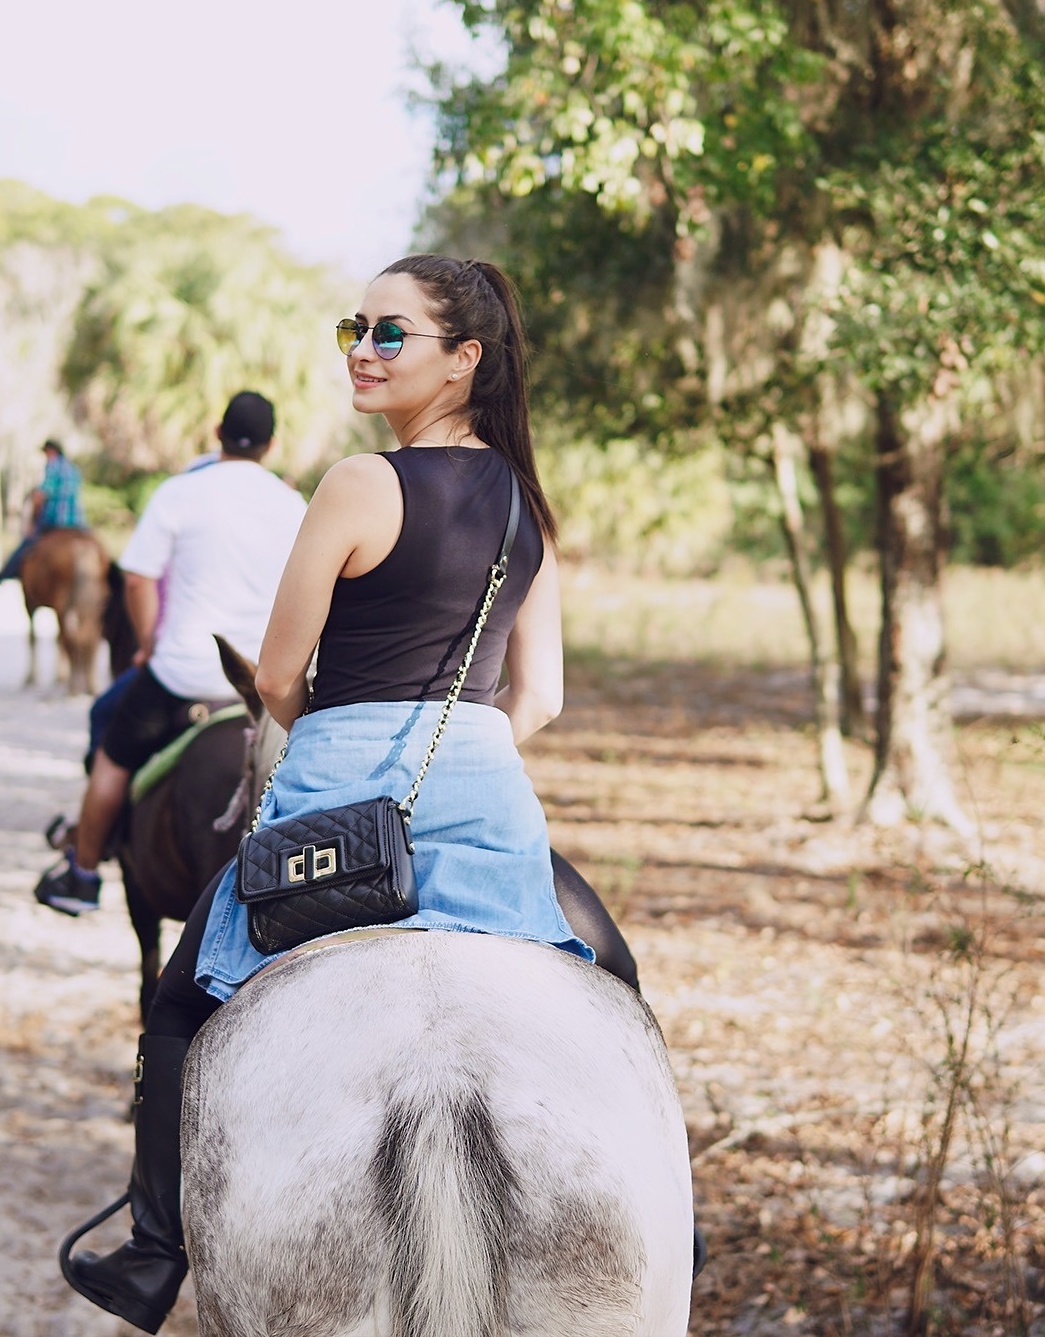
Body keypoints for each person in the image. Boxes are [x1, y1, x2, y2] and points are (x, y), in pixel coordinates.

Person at [56, 255, 643, 1334]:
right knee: (614, 976)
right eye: (353, 328)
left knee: (184, 1001)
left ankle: (150, 1254)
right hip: (479, 790)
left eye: (389, 334)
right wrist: (462, 740)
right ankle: (671, 1221)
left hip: (335, 788)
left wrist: (347, 721)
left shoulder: (357, 484)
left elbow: (277, 677)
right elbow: (542, 696)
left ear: (464, 360)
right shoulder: (526, 504)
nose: (360, 352)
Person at [34, 392, 306, 916]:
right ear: (271, 445)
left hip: (184, 676)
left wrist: (151, 643)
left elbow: (138, 578)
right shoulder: (292, 505)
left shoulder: (180, 494)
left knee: (108, 732)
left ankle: (84, 870)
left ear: (215, 432)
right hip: (265, 685)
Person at [0, 438, 85, 584]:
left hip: (55, 519)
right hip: (77, 521)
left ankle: (5, 573)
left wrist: (34, 521)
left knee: (28, 543)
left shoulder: (53, 465)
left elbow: (40, 497)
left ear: (50, 451)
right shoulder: (74, 469)